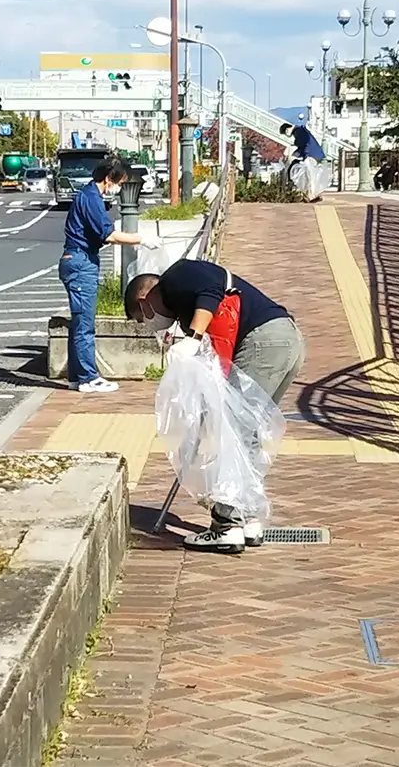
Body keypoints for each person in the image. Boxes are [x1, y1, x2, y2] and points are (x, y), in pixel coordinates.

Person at [125, 258, 305, 554]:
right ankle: (248, 519)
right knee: (246, 431)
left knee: (230, 431)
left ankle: (227, 526)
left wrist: (193, 338)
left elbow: (211, 289)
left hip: (264, 342)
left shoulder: (177, 276)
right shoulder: (185, 310)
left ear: (144, 302)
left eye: (140, 318)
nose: (147, 324)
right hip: (285, 340)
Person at [60, 157, 161, 394]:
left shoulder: (86, 195)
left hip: (77, 260)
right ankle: (88, 377)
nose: (118, 189)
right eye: (119, 183)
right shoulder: (91, 198)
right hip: (80, 263)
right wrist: (142, 239)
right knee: (84, 324)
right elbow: (109, 235)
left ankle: (78, 375)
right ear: (108, 179)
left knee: (78, 323)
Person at [279, 121, 326, 202]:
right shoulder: (299, 131)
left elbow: (304, 143)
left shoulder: (298, 131)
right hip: (314, 154)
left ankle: (312, 196)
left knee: (310, 176)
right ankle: (312, 195)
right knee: (310, 175)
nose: (287, 135)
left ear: (287, 129)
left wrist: (305, 155)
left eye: (285, 132)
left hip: (311, 154)